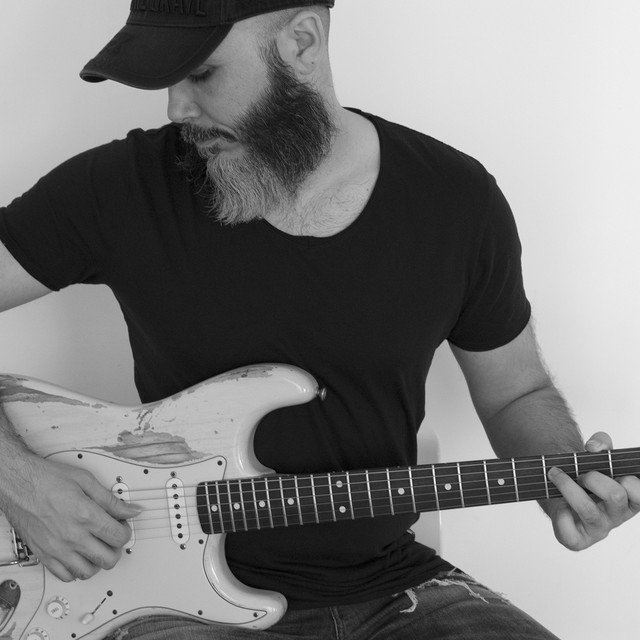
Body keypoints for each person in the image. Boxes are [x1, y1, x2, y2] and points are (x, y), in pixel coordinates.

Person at [0, 1, 638, 638]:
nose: (176, 108)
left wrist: (566, 482)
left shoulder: (456, 201)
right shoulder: (121, 187)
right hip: (163, 599)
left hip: (394, 586)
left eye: (201, 73)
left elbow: (517, 391)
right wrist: (19, 478)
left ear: (302, 42)